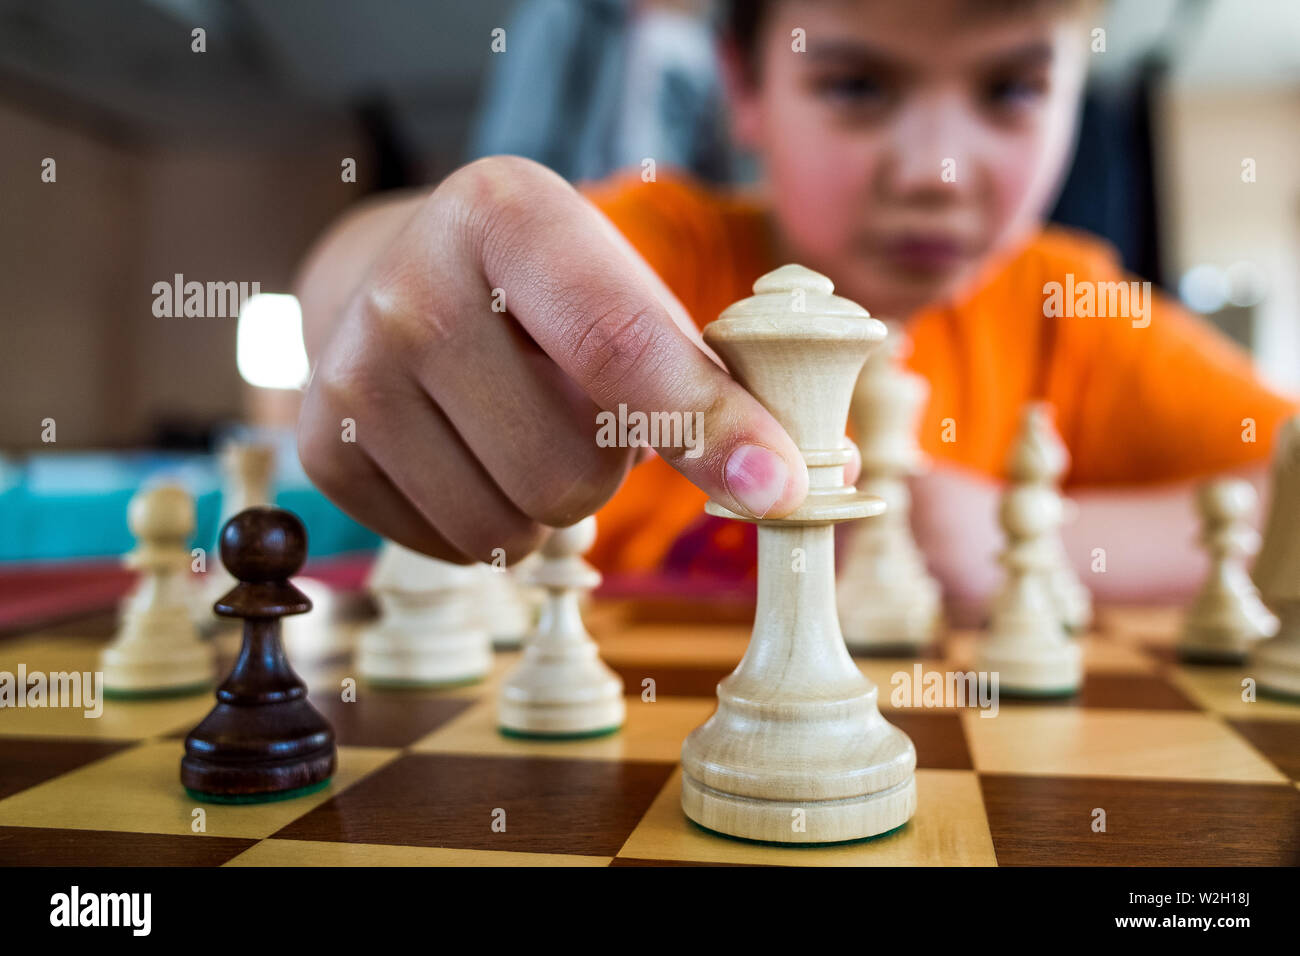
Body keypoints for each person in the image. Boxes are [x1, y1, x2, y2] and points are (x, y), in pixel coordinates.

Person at [293, 0, 1296, 609]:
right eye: (857, 85)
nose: (936, 171)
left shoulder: (1063, 305)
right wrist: (368, 275)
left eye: (1010, 90)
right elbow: (380, 278)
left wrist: (1035, 537)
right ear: (744, 88)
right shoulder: (662, 251)